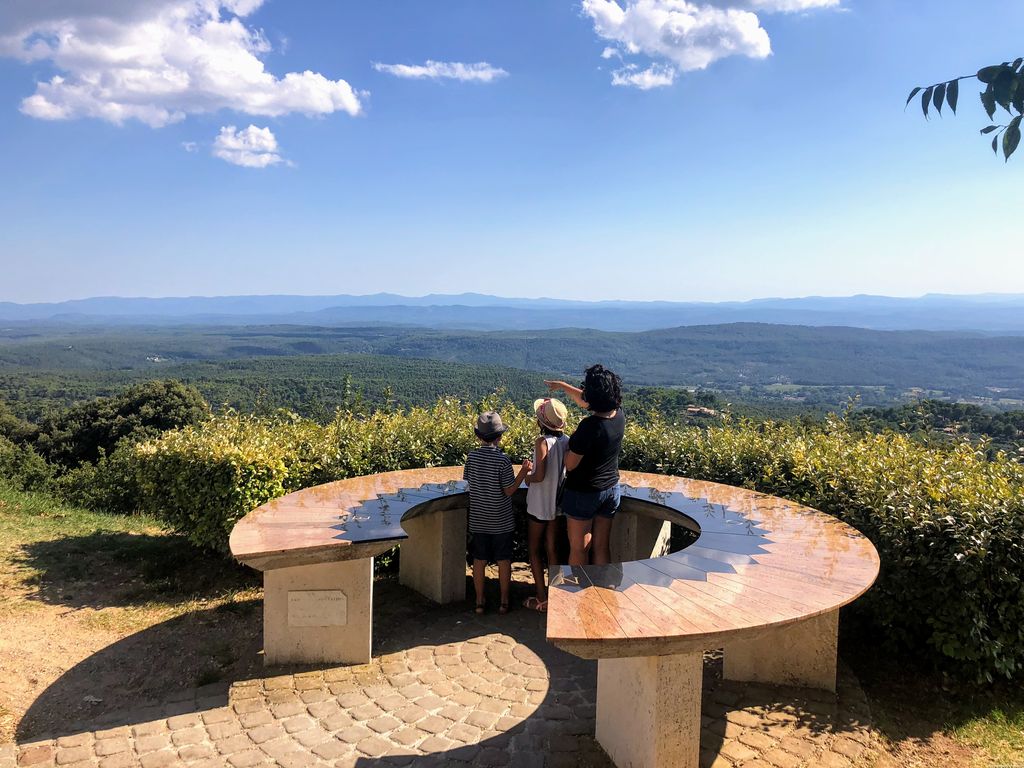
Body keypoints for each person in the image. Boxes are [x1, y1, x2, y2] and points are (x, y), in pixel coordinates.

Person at [545, 365, 625, 566]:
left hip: (584, 493)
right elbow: (586, 400)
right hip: (611, 489)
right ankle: (600, 591)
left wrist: (563, 449)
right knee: (601, 546)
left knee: (579, 549)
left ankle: (579, 595)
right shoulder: (618, 415)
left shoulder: (589, 427)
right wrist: (563, 386)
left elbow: (570, 465)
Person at [463, 411, 531, 615]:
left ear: (478, 436)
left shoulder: (472, 457)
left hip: (478, 518)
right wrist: (523, 472)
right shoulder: (503, 461)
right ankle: (503, 601)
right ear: (500, 436)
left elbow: (469, 481)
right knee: (503, 560)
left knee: (479, 560)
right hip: (501, 520)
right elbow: (509, 490)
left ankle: (479, 601)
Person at [521, 397, 570, 612]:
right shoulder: (566, 441)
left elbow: (539, 475)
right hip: (557, 504)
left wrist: (527, 477)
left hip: (540, 503)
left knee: (534, 549)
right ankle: (556, 595)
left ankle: (541, 597)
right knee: (553, 549)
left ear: (541, 421)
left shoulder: (542, 442)